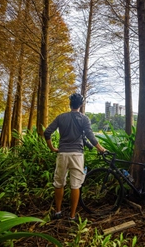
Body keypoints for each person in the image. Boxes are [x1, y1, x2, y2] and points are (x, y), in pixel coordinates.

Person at [44, 93, 106, 221]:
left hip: (62, 154)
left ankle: (58, 212)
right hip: (77, 155)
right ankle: (72, 216)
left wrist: (52, 148)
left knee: (59, 183)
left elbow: (47, 132)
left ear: (70, 103)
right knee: (75, 185)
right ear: (81, 105)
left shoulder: (61, 117)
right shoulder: (84, 119)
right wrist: (101, 149)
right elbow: (90, 136)